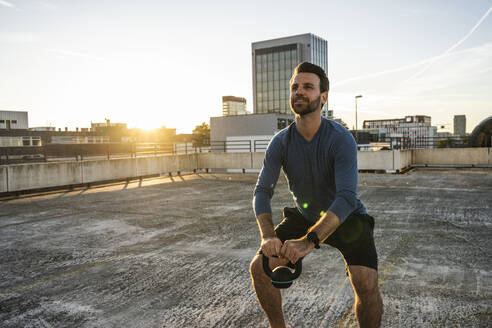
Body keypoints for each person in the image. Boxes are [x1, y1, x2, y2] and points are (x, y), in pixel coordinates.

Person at [249, 62, 383, 328]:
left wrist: (308, 242)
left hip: (346, 217)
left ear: (323, 97)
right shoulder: (280, 142)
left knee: (365, 282)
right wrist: (268, 236)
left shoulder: (340, 138)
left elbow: (346, 197)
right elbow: (262, 191)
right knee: (259, 268)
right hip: (306, 213)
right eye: (295, 87)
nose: (299, 92)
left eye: (308, 87)